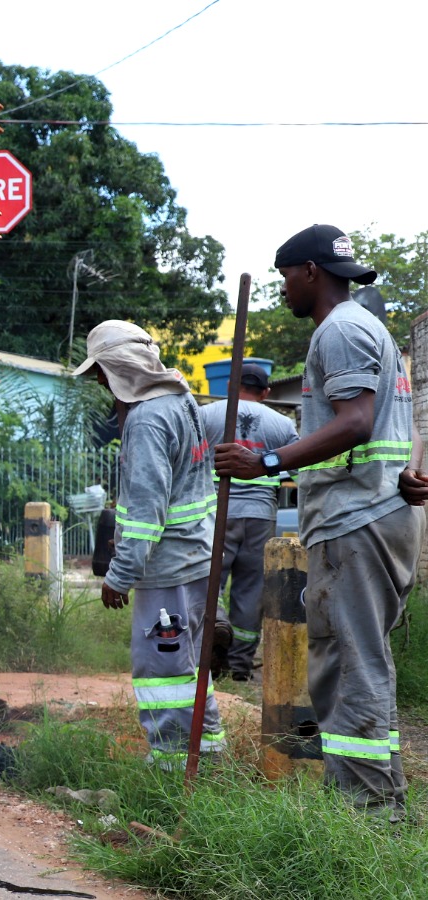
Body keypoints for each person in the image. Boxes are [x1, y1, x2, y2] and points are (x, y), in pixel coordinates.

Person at [215, 224, 428, 816]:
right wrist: (404, 477)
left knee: (347, 663)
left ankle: (363, 814)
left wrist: (267, 461)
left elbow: (357, 422)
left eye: (286, 277)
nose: (283, 289)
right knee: (364, 659)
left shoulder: (340, 330)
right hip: (377, 511)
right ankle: (384, 804)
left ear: (310, 272)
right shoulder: (371, 330)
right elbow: (394, 427)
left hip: (355, 520)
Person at [74, 320, 224, 768]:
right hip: (196, 558)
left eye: (101, 371)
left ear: (117, 367)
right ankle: (208, 757)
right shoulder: (179, 399)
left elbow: (145, 511)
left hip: (167, 568)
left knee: (163, 671)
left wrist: (118, 576)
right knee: (188, 666)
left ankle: (174, 765)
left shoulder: (147, 421)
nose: (100, 382)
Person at [199, 363, 298, 681]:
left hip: (216, 509)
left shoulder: (207, 414)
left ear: (230, 385)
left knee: (207, 577)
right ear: (266, 392)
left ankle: (214, 632)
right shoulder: (282, 423)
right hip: (260, 514)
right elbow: (300, 469)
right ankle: (239, 666)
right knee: (251, 589)